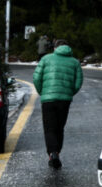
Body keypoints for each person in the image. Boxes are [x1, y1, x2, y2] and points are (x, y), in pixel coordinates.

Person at [32, 39, 83, 169]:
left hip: (48, 99)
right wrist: (69, 93)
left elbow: (37, 77)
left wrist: (42, 92)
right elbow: (78, 82)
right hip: (64, 100)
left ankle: (53, 153)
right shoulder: (75, 62)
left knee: (49, 128)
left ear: (55, 48)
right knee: (59, 127)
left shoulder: (45, 59)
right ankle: (57, 152)